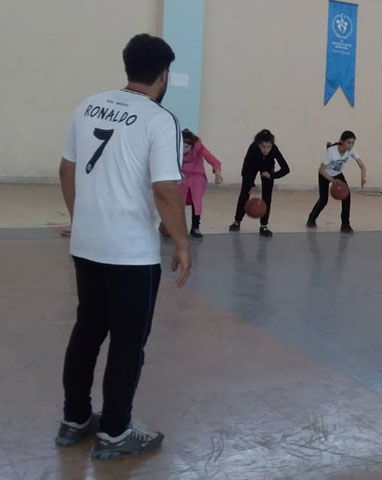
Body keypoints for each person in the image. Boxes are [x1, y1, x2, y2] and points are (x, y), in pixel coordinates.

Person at [56, 33, 191, 460]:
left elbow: (66, 169)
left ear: (127, 66)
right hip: (130, 253)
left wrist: (82, 220)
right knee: (128, 342)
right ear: (164, 74)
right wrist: (183, 243)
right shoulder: (158, 119)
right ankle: (115, 431)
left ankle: (74, 420)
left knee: (88, 330)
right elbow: (166, 190)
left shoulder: (88, 104)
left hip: (87, 243)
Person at [228, 129, 290, 237]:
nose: (266, 150)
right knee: (244, 193)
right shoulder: (253, 149)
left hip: (267, 168)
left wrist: (272, 175)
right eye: (263, 147)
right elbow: (244, 171)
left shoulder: (274, 149)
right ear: (258, 145)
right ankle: (237, 221)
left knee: (267, 196)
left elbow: (286, 169)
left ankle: (264, 226)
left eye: (269, 147)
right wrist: (251, 185)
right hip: (253, 166)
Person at [306, 130, 366, 234]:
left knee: (346, 196)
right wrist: (333, 181)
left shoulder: (351, 151)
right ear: (342, 141)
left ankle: (345, 224)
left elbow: (362, 166)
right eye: (348, 142)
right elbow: (321, 170)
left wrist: (363, 178)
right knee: (323, 200)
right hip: (325, 174)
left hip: (337, 174)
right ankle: (311, 218)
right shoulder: (331, 152)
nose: (350, 145)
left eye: (352, 143)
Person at [179, 129, 222, 239]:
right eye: (181, 147)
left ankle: (195, 227)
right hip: (181, 176)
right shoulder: (173, 147)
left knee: (196, 201)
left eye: (187, 147)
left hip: (197, 175)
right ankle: (175, 227)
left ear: (192, 145)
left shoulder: (198, 147)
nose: (184, 150)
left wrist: (217, 172)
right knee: (178, 201)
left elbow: (212, 159)